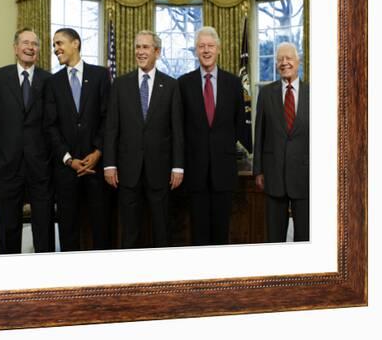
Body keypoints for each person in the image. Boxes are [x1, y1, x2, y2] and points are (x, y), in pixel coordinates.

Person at [103, 30, 184, 249]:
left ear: (157, 51)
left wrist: (178, 167)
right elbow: (111, 127)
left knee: (161, 229)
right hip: (128, 170)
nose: (140, 52)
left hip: (160, 170)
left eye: (145, 47)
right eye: (137, 47)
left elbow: (177, 129)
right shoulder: (120, 84)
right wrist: (109, 164)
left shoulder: (171, 85)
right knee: (130, 230)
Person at [0, 28, 53, 254]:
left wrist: (48, 160)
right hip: (6, 167)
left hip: (40, 168)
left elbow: (54, 125)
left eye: (34, 44)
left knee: (44, 228)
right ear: (15, 48)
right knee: (7, 227)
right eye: (25, 43)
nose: (30, 47)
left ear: (39, 51)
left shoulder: (49, 80)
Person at [44, 27, 112, 251]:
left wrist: (97, 152)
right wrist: (68, 159)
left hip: (96, 168)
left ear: (76, 43)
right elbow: (50, 126)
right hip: (66, 171)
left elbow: (107, 118)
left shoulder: (100, 75)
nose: (56, 49)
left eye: (59, 43)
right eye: (54, 45)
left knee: (101, 228)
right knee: (68, 230)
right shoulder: (52, 83)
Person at [178, 26, 247, 246]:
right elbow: (179, 127)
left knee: (221, 231)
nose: (206, 50)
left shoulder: (233, 83)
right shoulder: (183, 83)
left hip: (224, 170)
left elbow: (240, 124)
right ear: (196, 51)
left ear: (218, 49)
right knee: (198, 232)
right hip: (195, 171)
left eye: (210, 46)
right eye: (201, 46)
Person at [253, 42, 309, 242]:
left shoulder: (313, 93)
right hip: (273, 174)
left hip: (305, 176)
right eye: (280, 59)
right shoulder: (266, 93)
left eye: (289, 58)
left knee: (305, 236)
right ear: (276, 64)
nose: (284, 63)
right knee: (274, 237)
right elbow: (259, 133)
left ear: (298, 61)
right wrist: (258, 169)